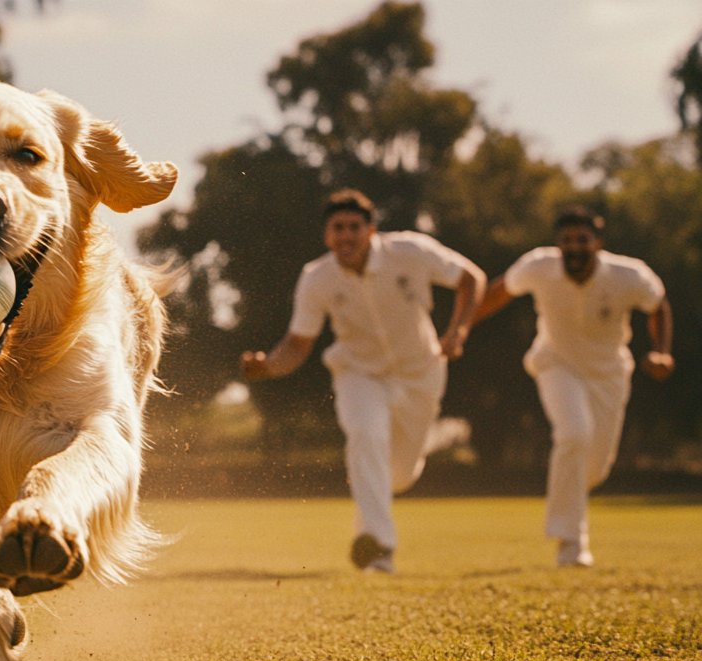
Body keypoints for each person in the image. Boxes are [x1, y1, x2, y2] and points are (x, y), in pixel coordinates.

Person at [240, 189, 485, 573]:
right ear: (327, 236)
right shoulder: (316, 278)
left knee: (400, 476)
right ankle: (379, 548)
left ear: (371, 231)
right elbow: (297, 343)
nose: (346, 236)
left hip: (422, 372)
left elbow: (472, 278)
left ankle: (389, 490)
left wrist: (458, 332)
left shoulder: (411, 252)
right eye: (337, 228)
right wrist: (268, 366)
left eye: (354, 227)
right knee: (365, 434)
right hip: (359, 373)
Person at [472, 206, 672, 567]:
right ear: (558, 244)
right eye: (566, 240)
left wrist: (661, 352)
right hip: (556, 363)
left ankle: (572, 507)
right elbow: (499, 292)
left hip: (609, 373)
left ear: (598, 243)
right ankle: (571, 542)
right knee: (574, 434)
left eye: (582, 240)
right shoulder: (538, 266)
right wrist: (460, 327)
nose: (574, 247)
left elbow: (658, 305)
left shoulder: (629, 275)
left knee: (594, 470)